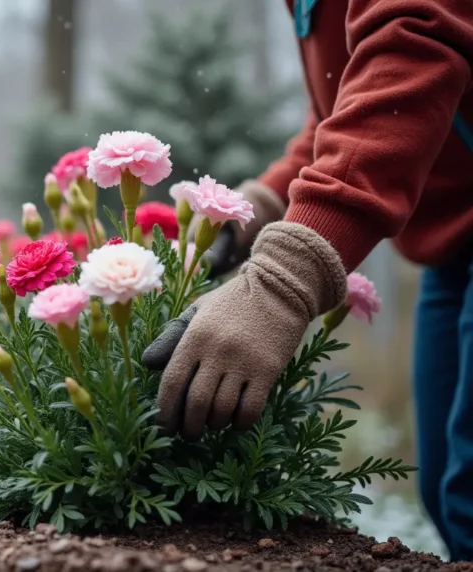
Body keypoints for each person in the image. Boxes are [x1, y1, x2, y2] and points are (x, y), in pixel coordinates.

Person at [140, 0, 473, 561]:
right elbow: (344, 106)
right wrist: (262, 202)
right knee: (449, 495)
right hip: (455, 248)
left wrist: (282, 280)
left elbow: (413, 56)